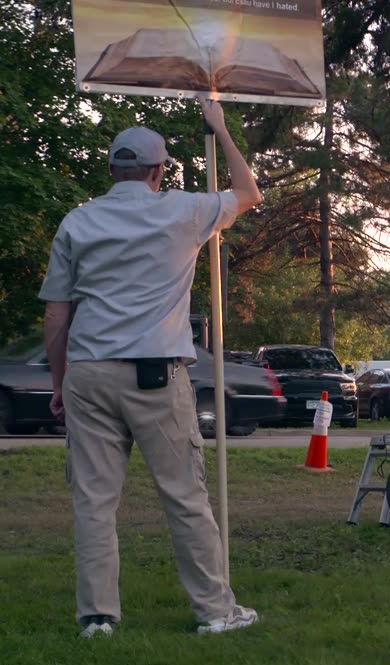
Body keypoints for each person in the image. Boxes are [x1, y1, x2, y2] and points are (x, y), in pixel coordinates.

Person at [39, 100, 262, 637]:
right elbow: (249, 193)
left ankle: (97, 618)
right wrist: (222, 129)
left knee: (94, 500)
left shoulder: (78, 220)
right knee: (184, 495)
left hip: (89, 371)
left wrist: (59, 381)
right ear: (160, 171)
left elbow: (56, 313)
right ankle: (214, 611)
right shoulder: (181, 212)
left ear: (112, 170)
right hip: (155, 374)